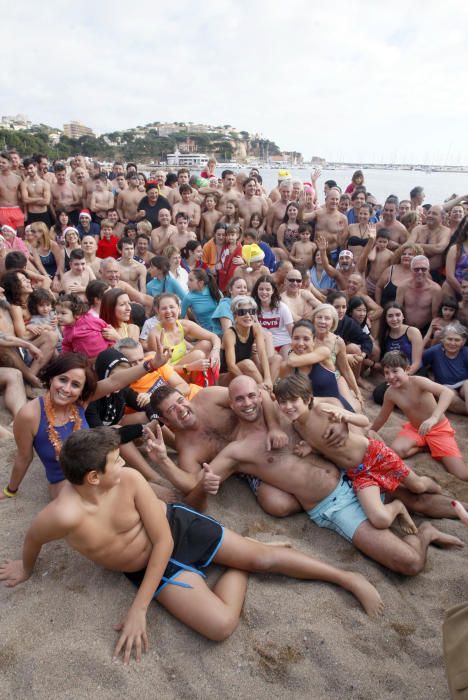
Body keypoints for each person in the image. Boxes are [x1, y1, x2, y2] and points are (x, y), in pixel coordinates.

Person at [0, 427, 386, 665]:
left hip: (177, 530)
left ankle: (345, 577)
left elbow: (164, 538)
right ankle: (239, 560)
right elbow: (33, 538)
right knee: (220, 625)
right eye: (115, 462)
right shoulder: (62, 515)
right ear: (93, 476)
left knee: (267, 558)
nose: (123, 464)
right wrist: (25, 567)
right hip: (152, 567)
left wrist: (139, 609)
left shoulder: (129, 480)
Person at [161, 378, 464, 573]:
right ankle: (424, 535)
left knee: (420, 498)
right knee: (409, 563)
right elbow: (193, 485)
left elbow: (330, 405)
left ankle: (456, 511)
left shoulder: (285, 410)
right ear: (231, 403)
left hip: (355, 473)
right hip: (333, 505)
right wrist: (162, 459)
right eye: (239, 400)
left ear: (261, 395)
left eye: (252, 396)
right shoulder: (237, 451)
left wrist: (346, 425)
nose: (248, 403)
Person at [273, 374, 439, 533]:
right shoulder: (297, 426)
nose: (288, 406)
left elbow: (364, 421)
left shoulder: (322, 409)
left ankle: (437, 488)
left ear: (307, 398)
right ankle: (398, 507)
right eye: (283, 402)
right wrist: (310, 448)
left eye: (293, 400)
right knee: (380, 520)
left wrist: (346, 417)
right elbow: (324, 447)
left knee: (418, 486)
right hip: (357, 473)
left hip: (375, 454)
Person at [0, 346, 170, 501]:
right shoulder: (29, 415)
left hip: (98, 468)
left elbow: (114, 382)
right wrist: (10, 490)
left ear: (82, 390)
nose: (66, 389)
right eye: (62, 379)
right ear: (52, 378)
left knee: (138, 485)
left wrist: (152, 364)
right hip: (65, 482)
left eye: (75, 384)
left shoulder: (81, 401)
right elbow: (24, 457)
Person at [371, 351, 468, 481]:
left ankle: (430, 445)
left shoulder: (418, 381)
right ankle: (424, 447)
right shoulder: (390, 393)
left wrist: (434, 417)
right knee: (396, 451)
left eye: (395, 371)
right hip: (416, 429)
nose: (390, 376)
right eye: (387, 372)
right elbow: (382, 417)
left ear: (407, 369)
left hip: (438, 429)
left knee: (462, 474)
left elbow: (447, 393)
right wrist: (370, 431)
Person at [144, 292, 220, 374]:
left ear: (179, 309)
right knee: (198, 355)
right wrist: (188, 367)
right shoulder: (155, 335)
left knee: (207, 344)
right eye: (164, 308)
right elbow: (160, 369)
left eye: (171, 307)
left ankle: (207, 380)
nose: (168, 311)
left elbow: (213, 337)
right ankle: (200, 383)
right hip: (171, 374)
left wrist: (216, 351)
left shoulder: (184, 325)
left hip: (184, 365)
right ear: (157, 311)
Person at [219, 295, 278, 390]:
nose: (248, 315)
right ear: (235, 316)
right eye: (242, 312)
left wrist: (268, 378)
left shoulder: (256, 327)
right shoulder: (230, 333)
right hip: (227, 376)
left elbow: (262, 353)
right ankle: (264, 392)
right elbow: (231, 366)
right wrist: (249, 384)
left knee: (276, 359)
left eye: (251, 312)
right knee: (248, 363)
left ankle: (268, 387)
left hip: (246, 371)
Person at [421, 322, 468, 415]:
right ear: (442, 339)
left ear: (463, 341)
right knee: (447, 396)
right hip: (445, 386)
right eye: (449, 339)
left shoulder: (466, 352)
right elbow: (419, 362)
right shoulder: (434, 351)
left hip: (464, 383)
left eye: (457, 340)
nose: (452, 343)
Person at [56, 293, 113, 359]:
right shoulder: (66, 330)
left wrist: (111, 343)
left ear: (77, 313)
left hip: (105, 354)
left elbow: (105, 327)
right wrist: (64, 358)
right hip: (85, 361)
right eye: (57, 313)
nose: (58, 316)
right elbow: (67, 346)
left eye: (63, 313)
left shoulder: (88, 320)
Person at [396, 255, 443, 333]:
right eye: (416, 269)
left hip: (425, 329)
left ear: (428, 270)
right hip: (404, 328)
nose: (420, 272)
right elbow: (397, 311)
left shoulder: (435, 289)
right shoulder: (402, 287)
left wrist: (427, 338)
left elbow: (436, 317)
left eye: (423, 269)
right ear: (411, 270)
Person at [252, 275, 293, 358]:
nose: (264, 292)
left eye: (267, 289)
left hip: (284, 343)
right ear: (256, 290)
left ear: (273, 291)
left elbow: (291, 330)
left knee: (287, 358)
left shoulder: (282, 307)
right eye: (261, 289)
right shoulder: (252, 308)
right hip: (263, 345)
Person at [181, 269, 222, 335]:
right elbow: (181, 317)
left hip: (223, 329)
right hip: (206, 334)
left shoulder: (213, 289)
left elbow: (224, 309)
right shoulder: (188, 298)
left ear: (201, 283)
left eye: (191, 280)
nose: (187, 283)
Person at [444, 216, 468, 299]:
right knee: (446, 285)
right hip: (456, 286)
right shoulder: (455, 249)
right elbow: (450, 277)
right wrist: (464, 292)